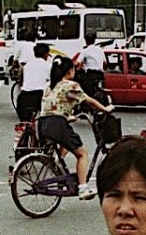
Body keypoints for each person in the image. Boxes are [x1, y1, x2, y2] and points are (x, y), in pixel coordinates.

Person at [37, 56, 114, 200]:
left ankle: (58, 164)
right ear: (70, 70)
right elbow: (89, 101)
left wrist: (68, 117)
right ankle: (83, 188)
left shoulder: (49, 86)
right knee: (82, 154)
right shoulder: (71, 85)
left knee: (66, 141)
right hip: (56, 124)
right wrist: (105, 109)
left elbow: (52, 107)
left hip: (43, 124)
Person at [16, 42, 51, 122]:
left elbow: (21, 82)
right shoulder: (48, 66)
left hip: (23, 97)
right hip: (39, 97)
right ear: (46, 55)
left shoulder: (27, 66)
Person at [76, 33, 107, 98]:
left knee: (88, 93)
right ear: (94, 41)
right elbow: (105, 63)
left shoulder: (85, 51)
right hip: (100, 75)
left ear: (86, 41)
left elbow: (77, 63)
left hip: (90, 75)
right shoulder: (100, 50)